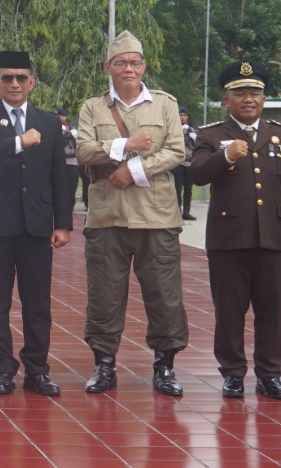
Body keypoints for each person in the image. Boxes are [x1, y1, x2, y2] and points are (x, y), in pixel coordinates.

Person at [76, 31, 188, 396]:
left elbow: (176, 151)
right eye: (120, 63)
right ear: (108, 67)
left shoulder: (165, 104)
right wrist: (125, 144)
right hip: (108, 216)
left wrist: (134, 170)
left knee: (164, 295)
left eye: (134, 62)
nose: (128, 69)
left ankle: (165, 366)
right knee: (104, 295)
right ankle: (104, 366)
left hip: (156, 216)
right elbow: (83, 152)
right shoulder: (93, 107)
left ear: (144, 66)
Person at [190, 60, 281, 399]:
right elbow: (197, 174)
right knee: (229, 312)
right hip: (229, 240)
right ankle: (232, 373)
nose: (248, 99)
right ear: (226, 99)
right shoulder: (211, 135)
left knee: (272, 311)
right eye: (239, 93)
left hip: (274, 237)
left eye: (254, 93)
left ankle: (270, 374)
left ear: (263, 98)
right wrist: (225, 155)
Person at [0, 51, 72, 397]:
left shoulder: (50, 123)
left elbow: (62, 175)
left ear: (32, 83)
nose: (14, 83)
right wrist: (17, 142)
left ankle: (37, 369)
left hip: (37, 225)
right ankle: (2, 368)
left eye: (21, 77)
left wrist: (63, 223)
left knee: (37, 301)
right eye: (6, 77)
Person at [57, 107, 86, 213]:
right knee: (60, 188)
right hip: (59, 164)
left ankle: (70, 207)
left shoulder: (73, 130)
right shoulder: (52, 130)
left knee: (72, 187)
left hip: (72, 163)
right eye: (57, 115)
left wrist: (73, 136)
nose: (59, 117)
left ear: (66, 117)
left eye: (61, 115)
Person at [177, 107, 198, 220]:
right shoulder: (173, 130)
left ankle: (186, 212)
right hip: (177, 163)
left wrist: (194, 139)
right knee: (177, 190)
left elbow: (197, 147)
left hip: (189, 163)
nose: (182, 117)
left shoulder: (193, 131)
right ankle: (177, 212)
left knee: (188, 190)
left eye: (184, 115)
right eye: (180, 115)